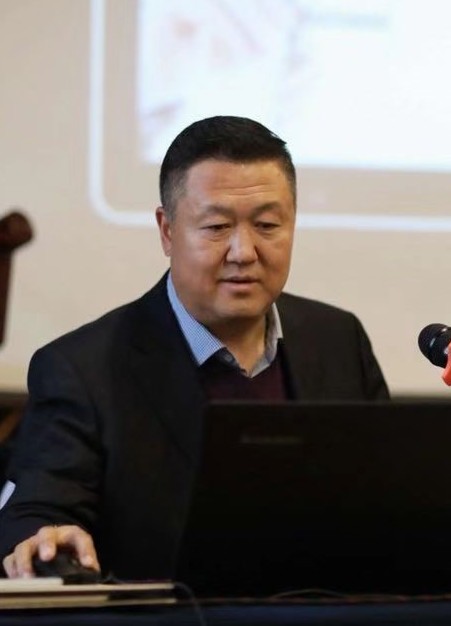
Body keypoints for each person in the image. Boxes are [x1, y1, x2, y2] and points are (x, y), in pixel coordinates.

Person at [0, 115, 389, 580]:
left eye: (267, 225)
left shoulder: (339, 340)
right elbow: (34, 511)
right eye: (217, 227)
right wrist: (44, 538)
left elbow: (388, 495)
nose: (244, 252)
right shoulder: (82, 369)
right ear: (167, 231)